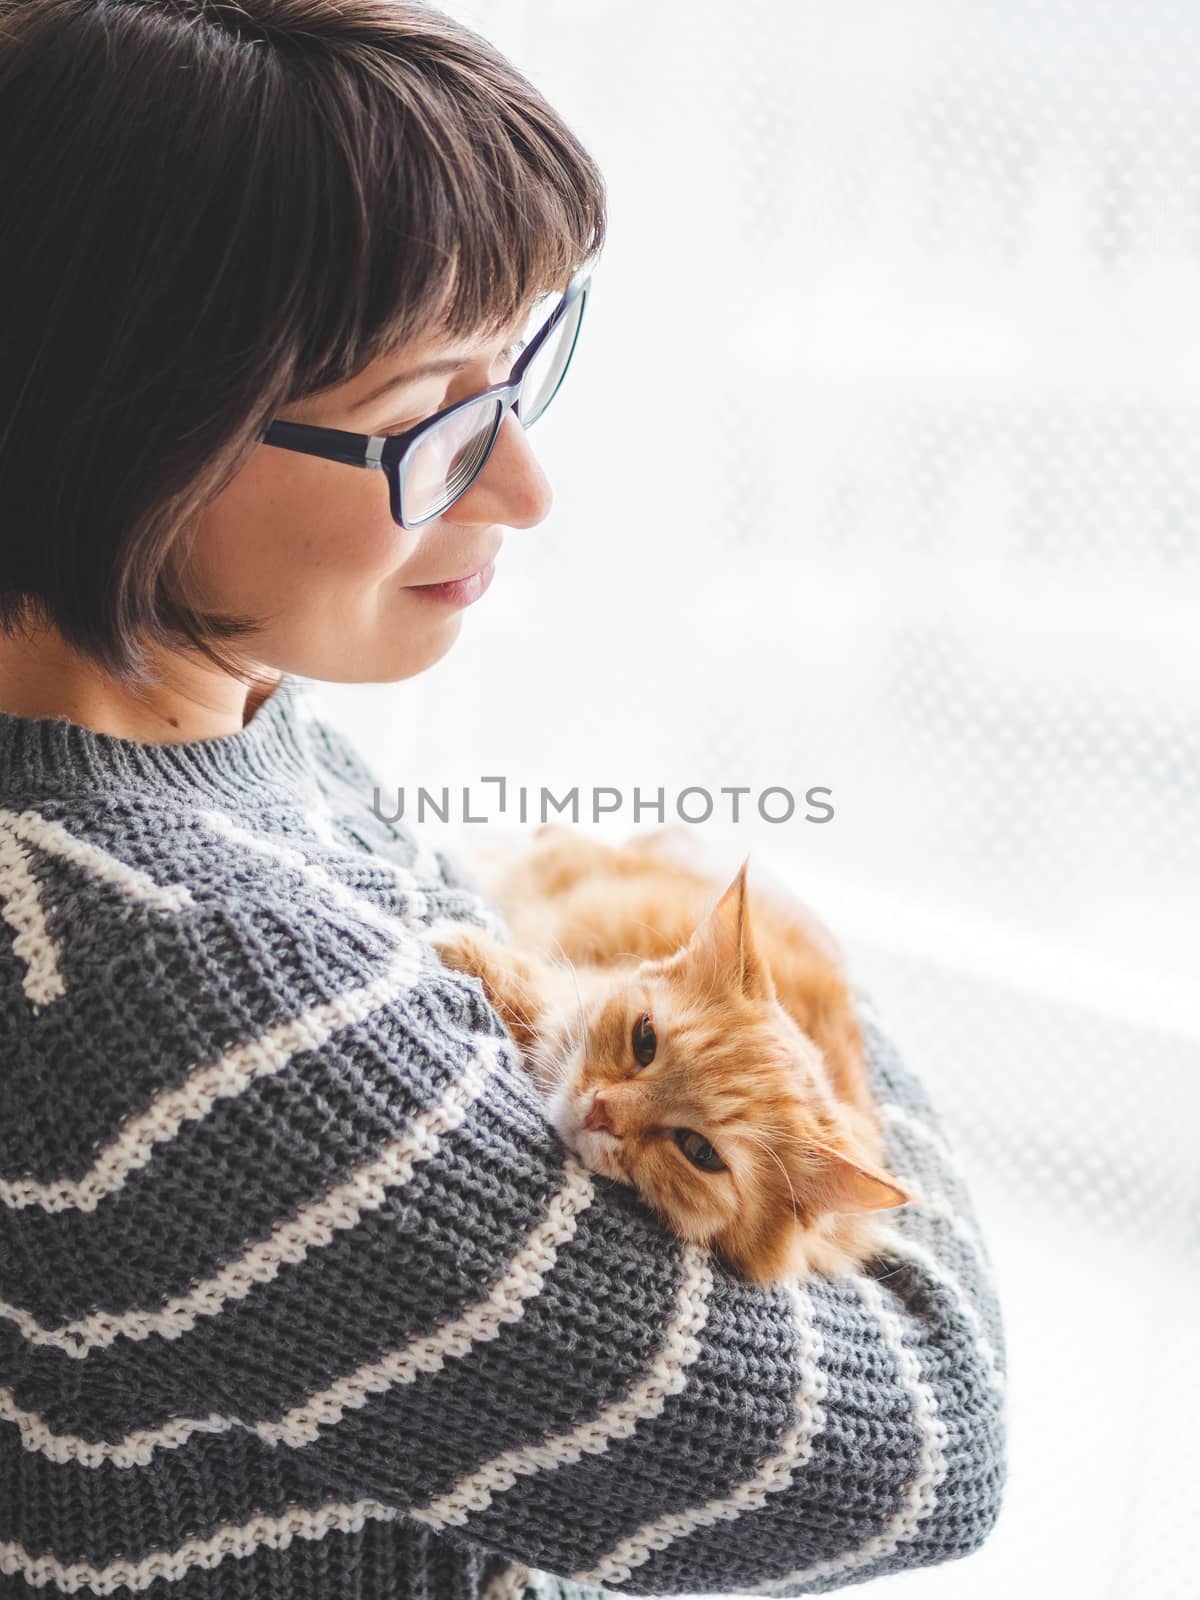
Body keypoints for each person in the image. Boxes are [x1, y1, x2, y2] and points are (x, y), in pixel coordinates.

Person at [0, 3, 1008, 1598]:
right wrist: (808, 992)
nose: (524, 482)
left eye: (523, 362)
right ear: (133, 422)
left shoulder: (228, 725)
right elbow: (927, 1445)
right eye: (428, 417)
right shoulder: (170, 976)